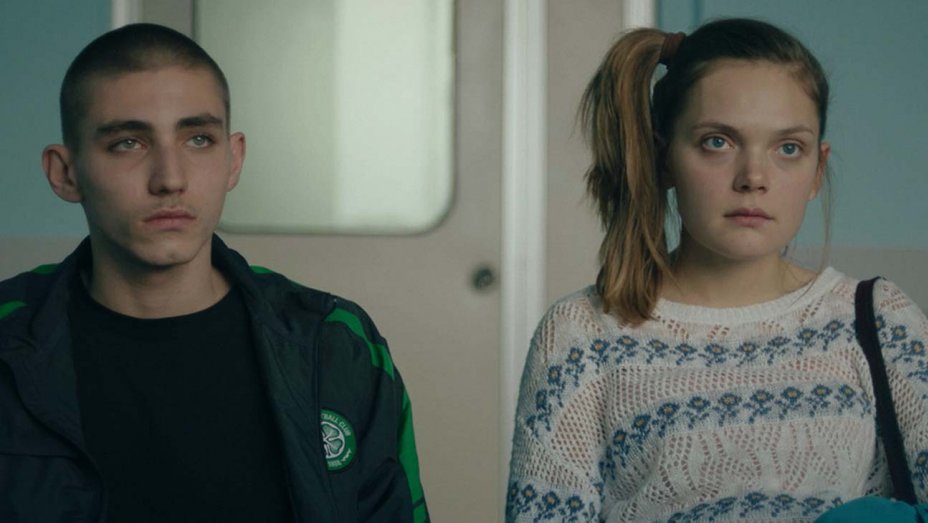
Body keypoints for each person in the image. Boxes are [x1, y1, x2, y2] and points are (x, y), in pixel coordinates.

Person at [0, 23, 428, 522]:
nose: (170, 179)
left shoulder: (333, 344)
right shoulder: (10, 343)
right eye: (128, 143)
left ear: (233, 159)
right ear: (65, 172)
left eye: (199, 139)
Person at [506, 18, 928, 522]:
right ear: (664, 157)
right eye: (718, 142)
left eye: (788, 148)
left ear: (817, 169)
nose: (754, 177)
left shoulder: (878, 321)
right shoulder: (581, 334)